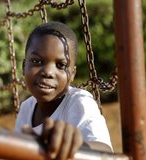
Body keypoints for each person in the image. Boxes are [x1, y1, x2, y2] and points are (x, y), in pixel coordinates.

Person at [15, 21, 112, 160]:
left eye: (61, 65)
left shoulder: (79, 102)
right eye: (37, 61)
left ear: (72, 74)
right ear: (24, 66)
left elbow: (105, 151)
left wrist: (75, 145)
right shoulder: (26, 108)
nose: (48, 72)